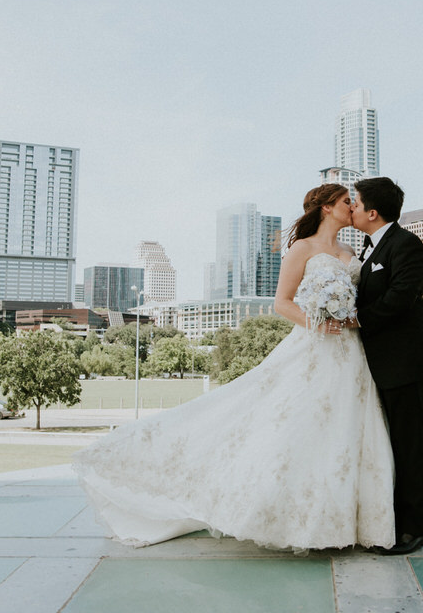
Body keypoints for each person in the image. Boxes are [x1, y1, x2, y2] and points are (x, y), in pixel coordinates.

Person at [72, 183, 394, 551]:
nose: (351, 206)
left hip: (352, 353)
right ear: (325, 208)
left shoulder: (351, 250)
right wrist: (319, 320)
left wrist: (347, 316)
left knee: (346, 428)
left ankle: (343, 523)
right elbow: (282, 303)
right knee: (295, 425)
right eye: (344, 201)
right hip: (316, 345)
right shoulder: (302, 249)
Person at [349, 176, 423, 555]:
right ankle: (391, 520)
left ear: (373, 212)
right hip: (379, 364)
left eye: (355, 202)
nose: (352, 207)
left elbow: (401, 298)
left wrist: (355, 318)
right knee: (389, 445)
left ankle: (415, 530)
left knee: (410, 445)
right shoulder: (368, 249)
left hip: (405, 361)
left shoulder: (406, 245)